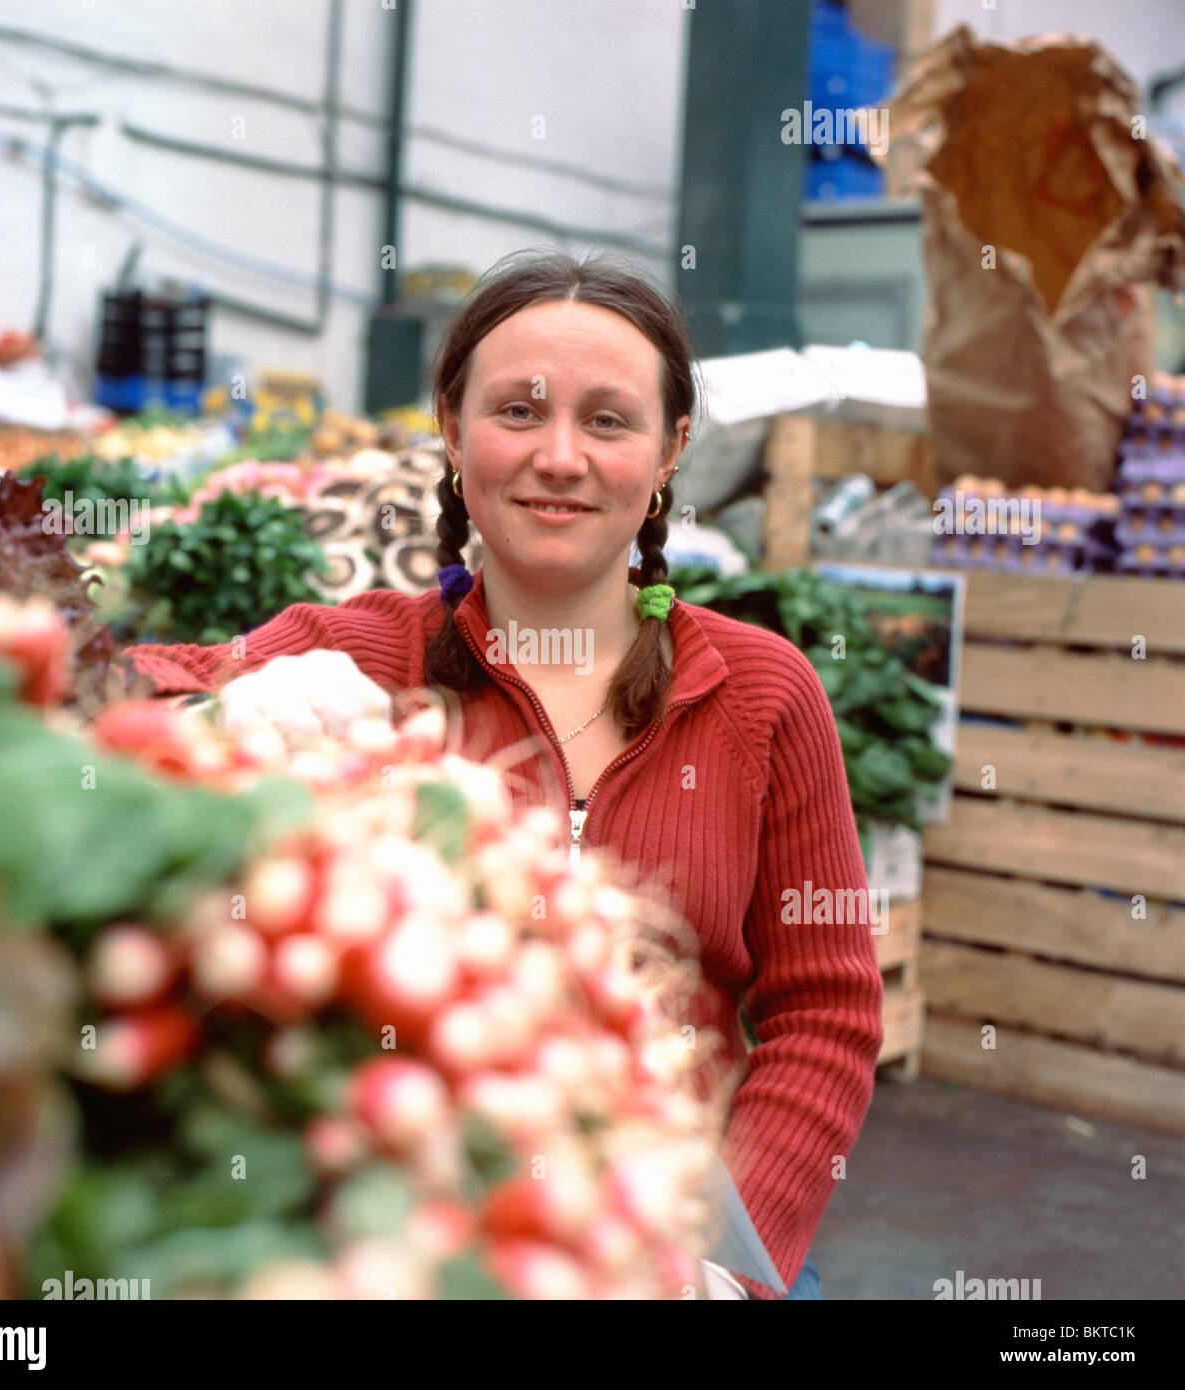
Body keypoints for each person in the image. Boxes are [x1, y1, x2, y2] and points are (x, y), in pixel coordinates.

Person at [125, 248, 884, 1300]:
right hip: (401, 1238)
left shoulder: (764, 693)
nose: (560, 456)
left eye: (608, 421)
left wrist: (724, 1257)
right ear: (451, 427)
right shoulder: (363, 654)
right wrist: (212, 712)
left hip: (675, 1235)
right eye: (518, 411)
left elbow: (825, 1013)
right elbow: (110, 692)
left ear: (669, 451)